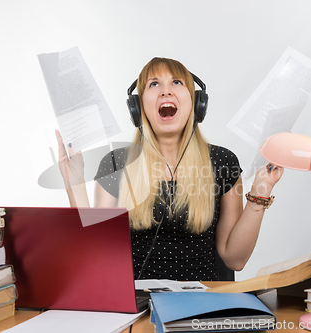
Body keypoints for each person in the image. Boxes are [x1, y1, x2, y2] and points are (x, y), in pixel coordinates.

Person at [56, 57, 283, 281]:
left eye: (177, 82)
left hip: (204, 307)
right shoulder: (116, 164)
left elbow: (235, 260)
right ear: (138, 106)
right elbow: (97, 255)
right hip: (138, 306)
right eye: (154, 84)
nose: (166, 91)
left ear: (196, 102)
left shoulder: (222, 162)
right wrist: (73, 182)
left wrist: (261, 191)